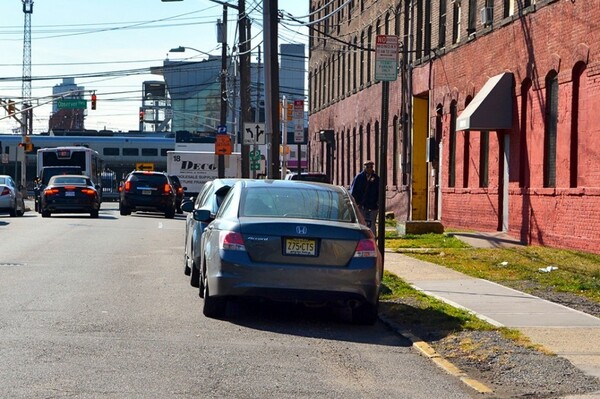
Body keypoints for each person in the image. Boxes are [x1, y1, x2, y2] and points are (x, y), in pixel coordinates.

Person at [350, 160, 380, 234]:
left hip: (373, 205)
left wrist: (378, 202)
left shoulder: (376, 178)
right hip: (362, 205)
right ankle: (363, 237)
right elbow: (354, 191)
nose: (369, 169)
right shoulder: (359, 178)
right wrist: (356, 203)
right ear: (364, 168)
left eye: (371, 167)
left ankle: (373, 238)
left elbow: (379, 191)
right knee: (362, 222)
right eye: (367, 167)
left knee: (372, 223)